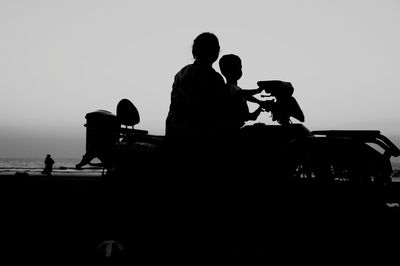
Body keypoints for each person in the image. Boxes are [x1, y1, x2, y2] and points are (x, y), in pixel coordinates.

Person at [165, 32, 228, 142]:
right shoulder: (213, 78)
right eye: (217, 47)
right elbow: (217, 111)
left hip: (174, 133)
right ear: (214, 50)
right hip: (197, 136)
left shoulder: (181, 73)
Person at [218, 54, 264, 132]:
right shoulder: (228, 88)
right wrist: (257, 92)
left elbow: (250, 117)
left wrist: (260, 107)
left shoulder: (237, 91)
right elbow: (241, 93)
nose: (239, 70)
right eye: (237, 67)